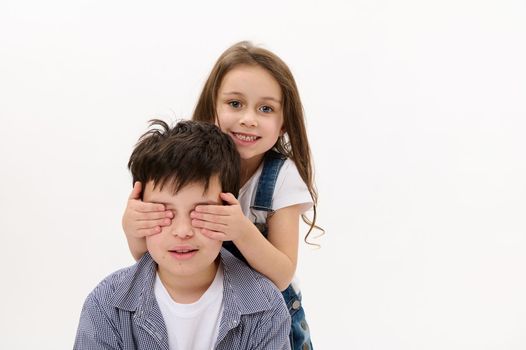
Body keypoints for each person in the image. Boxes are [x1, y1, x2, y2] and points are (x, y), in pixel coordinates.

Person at [123, 41, 321, 350]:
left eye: (265, 108)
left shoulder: (282, 179)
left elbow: (282, 275)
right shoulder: (190, 167)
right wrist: (133, 228)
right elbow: (149, 257)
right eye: (235, 104)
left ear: (284, 123)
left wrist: (241, 230)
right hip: (213, 307)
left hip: (268, 317)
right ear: (212, 107)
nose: (248, 119)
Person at [75, 120, 291, 350]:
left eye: (201, 212)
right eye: (164, 212)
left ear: (229, 210)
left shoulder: (265, 308)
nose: (182, 232)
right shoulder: (106, 305)